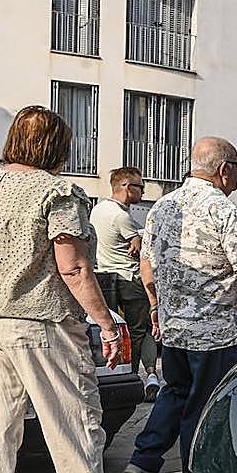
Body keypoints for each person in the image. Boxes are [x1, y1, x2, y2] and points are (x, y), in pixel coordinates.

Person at [0, 106, 146, 473]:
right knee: (71, 414)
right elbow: (74, 266)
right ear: (56, 147)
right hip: (38, 318)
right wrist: (106, 322)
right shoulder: (55, 192)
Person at [122, 137, 237, 473]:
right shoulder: (224, 210)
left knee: (175, 392)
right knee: (205, 402)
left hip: (175, 326)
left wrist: (155, 306)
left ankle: (145, 459)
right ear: (224, 170)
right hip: (215, 330)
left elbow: (147, 265)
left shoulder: (162, 207)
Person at [90, 166, 160, 402]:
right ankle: (143, 377)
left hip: (107, 280)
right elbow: (142, 251)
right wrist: (139, 240)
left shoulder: (98, 210)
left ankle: (115, 374)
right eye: (140, 186)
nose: (143, 190)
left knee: (114, 330)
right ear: (127, 187)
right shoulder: (122, 216)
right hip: (130, 280)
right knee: (141, 330)